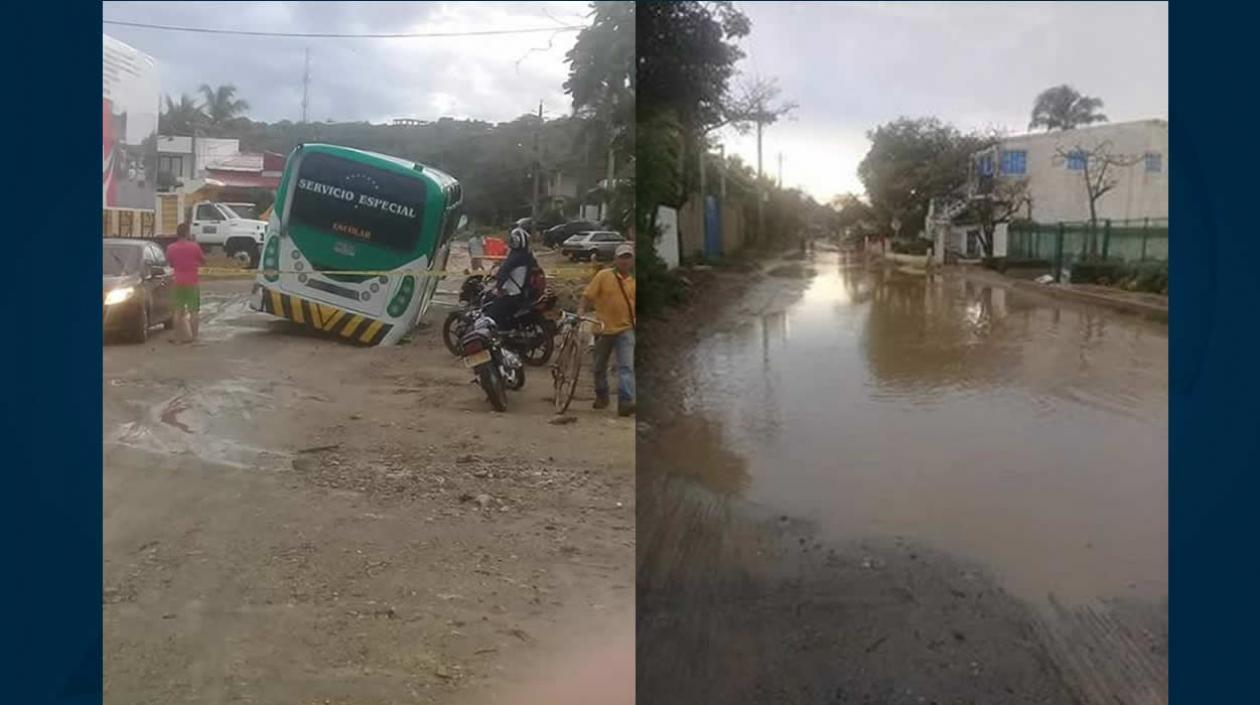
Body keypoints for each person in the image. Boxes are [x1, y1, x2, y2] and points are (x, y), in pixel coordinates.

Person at [579, 243, 635, 416]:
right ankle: (602, 396)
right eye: (622, 257)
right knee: (598, 367)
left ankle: (625, 402)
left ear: (632, 261)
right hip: (603, 329)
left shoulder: (634, 282)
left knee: (626, 367)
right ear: (615, 259)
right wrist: (581, 310)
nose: (625, 261)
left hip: (625, 329)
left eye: (628, 258)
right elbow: (588, 295)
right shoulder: (604, 276)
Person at [483, 221, 539, 328]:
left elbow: (502, 273)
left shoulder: (514, 257)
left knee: (491, 314)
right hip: (524, 293)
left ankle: (499, 331)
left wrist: (499, 288)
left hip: (512, 294)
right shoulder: (529, 256)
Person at [165, 221, 205, 344]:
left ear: (177, 234)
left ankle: (177, 338)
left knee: (177, 310)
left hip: (178, 281)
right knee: (194, 311)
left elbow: (170, 263)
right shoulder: (194, 247)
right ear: (187, 233)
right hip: (192, 281)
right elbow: (203, 261)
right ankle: (195, 338)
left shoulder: (171, 248)